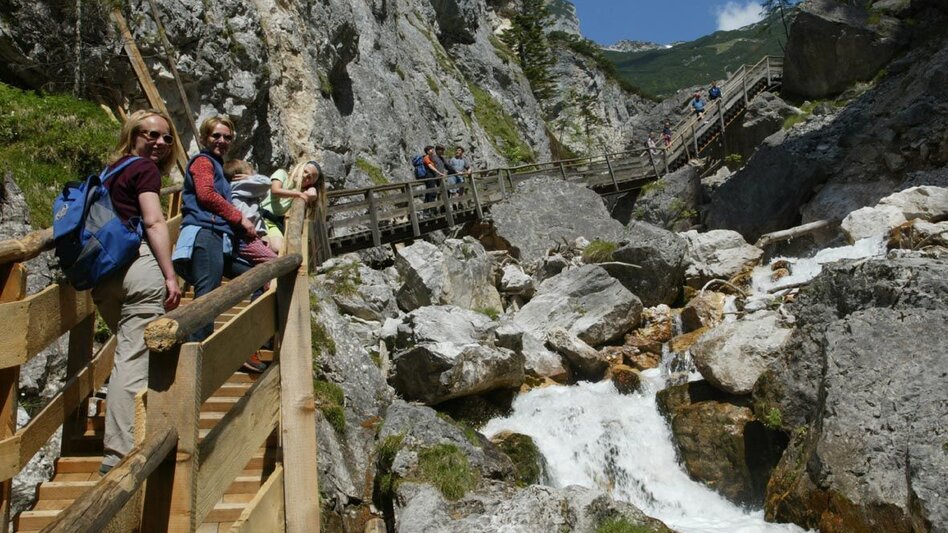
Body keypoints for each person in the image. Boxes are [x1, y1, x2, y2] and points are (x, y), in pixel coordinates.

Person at [93, 109, 182, 475]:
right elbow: (154, 221)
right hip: (137, 267)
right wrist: (170, 275)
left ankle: (127, 438)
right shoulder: (144, 169)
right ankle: (120, 456)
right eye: (151, 135)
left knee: (126, 356)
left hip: (103, 273)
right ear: (133, 136)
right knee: (132, 362)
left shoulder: (109, 171)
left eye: (166, 138)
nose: (159, 142)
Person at [172, 116, 261, 365]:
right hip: (205, 232)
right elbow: (207, 195)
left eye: (227, 137)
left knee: (258, 277)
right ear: (203, 138)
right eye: (216, 136)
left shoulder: (217, 165)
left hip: (219, 237)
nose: (222, 141)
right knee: (207, 295)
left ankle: (243, 342)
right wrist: (240, 219)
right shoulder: (202, 162)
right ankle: (194, 356)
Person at [224, 159, 279, 265]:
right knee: (276, 263)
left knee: (264, 266)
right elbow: (267, 183)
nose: (253, 172)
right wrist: (251, 178)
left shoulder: (240, 188)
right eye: (251, 170)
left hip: (251, 236)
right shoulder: (238, 184)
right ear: (240, 175)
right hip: (246, 238)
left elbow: (264, 194)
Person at [261, 160, 322, 252]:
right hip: (260, 215)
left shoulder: (300, 191)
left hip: (273, 221)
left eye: (309, 178)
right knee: (265, 243)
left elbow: (312, 195)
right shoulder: (282, 174)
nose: (305, 176)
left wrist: (312, 188)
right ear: (300, 168)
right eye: (305, 171)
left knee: (279, 248)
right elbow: (275, 190)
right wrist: (298, 194)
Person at [421, 145, 443, 211]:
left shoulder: (430, 158)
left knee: (429, 192)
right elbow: (430, 166)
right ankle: (432, 210)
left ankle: (427, 210)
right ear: (427, 151)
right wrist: (439, 173)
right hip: (429, 176)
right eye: (431, 149)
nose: (433, 150)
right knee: (432, 192)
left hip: (431, 176)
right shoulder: (426, 157)